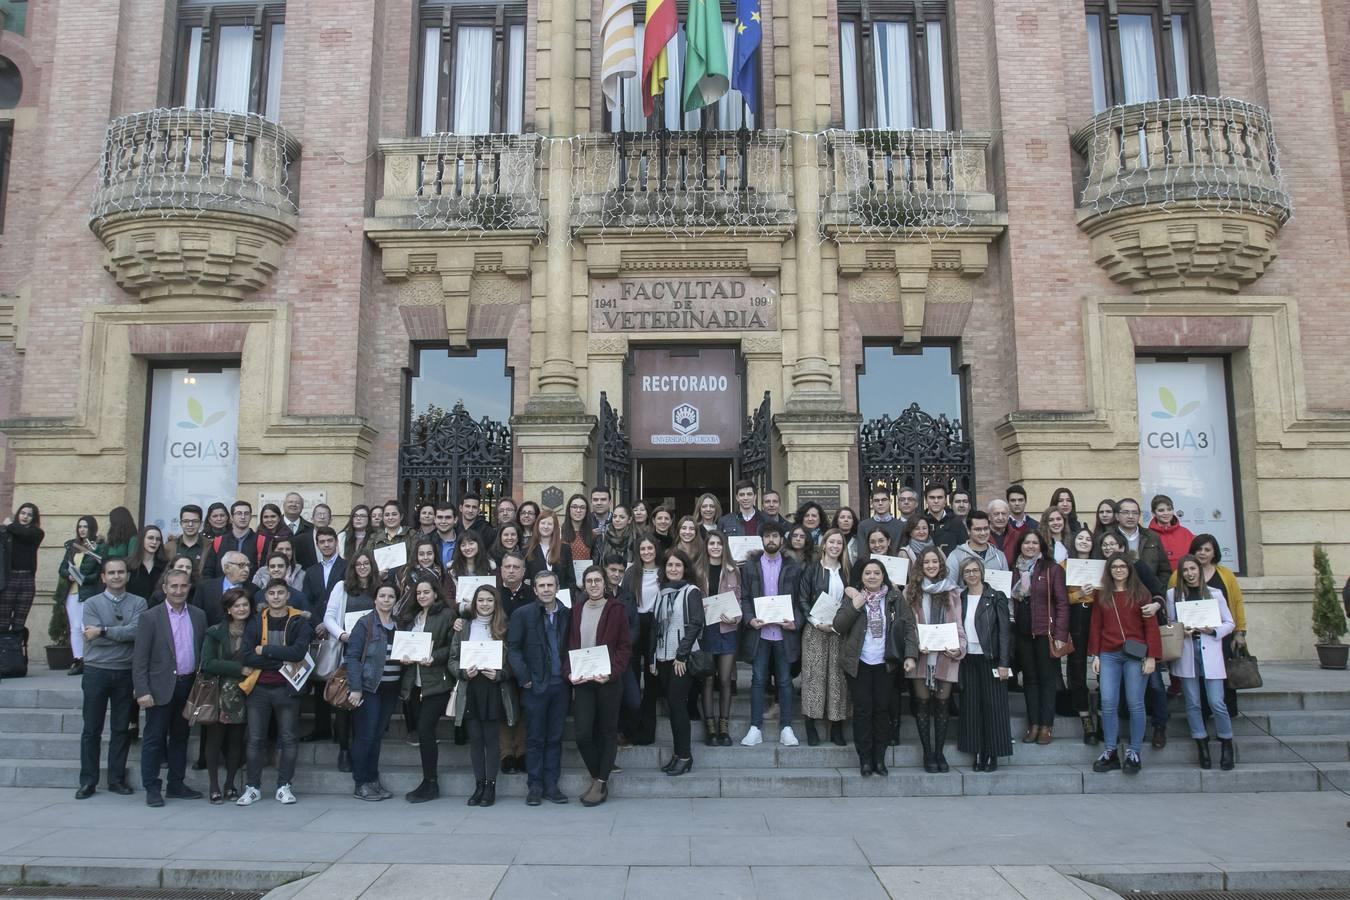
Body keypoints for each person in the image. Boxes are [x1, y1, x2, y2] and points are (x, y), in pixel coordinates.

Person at [833, 559, 915, 776]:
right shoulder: (854, 597)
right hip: (859, 664)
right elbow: (839, 625)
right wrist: (855, 606)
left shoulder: (895, 598)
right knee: (863, 711)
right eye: (867, 573)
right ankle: (865, 759)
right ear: (862, 577)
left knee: (881, 711)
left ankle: (879, 758)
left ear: (883, 575)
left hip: (885, 663)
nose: (871, 577)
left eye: (876, 573)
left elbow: (909, 627)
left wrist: (910, 655)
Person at [133, 568, 206, 806]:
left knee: (180, 737)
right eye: (173, 586)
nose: (178, 591)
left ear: (189, 587)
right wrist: (142, 691)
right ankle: (152, 787)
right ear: (164, 588)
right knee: (154, 739)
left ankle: (176, 784)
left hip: (188, 685)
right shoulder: (150, 617)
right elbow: (140, 658)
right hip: (159, 688)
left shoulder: (198, 615)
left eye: (183, 586)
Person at [237, 578, 313, 806]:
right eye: (272, 593)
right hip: (259, 688)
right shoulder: (255, 621)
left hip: (287, 689)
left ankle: (284, 786)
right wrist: (280, 658)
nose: (276, 597)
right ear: (265, 596)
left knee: (289, 739)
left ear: (288, 595)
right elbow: (248, 655)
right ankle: (252, 787)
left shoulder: (299, 621)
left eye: (281, 592)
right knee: (255, 739)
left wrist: (266, 651)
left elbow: (299, 653)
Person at [76, 557, 146, 799]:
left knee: (121, 729)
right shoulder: (92, 603)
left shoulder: (139, 602)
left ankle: (116, 780)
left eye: (121, 572)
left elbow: (137, 632)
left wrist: (104, 631)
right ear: (103, 577)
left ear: (127, 576)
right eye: (111, 573)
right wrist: (119, 634)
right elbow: (91, 635)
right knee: (91, 729)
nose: (117, 576)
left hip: (125, 672)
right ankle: (88, 781)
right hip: (96, 671)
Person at [1089, 553, 1163, 775]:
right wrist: (1096, 655)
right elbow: (1096, 626)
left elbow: (1151, 627)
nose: (1119, 570)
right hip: (1109, 653)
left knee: (1135, 703)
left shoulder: (1141, 593)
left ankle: (1134, 751)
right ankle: (1110, 750)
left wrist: (1152, 657)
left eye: (1123, 566)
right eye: (1114, 567)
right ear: (1109, 570)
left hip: (1135, 654)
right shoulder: (1102, 594)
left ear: (1130, 569)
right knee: (1108, 701)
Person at [566, 565, 632, 805]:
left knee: (607, 733)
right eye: (589, 581)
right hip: (583, 681)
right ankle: (597, 777)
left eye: (597, 581)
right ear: (583, 585)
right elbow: (569, 647)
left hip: (607, 682)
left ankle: (601, 784)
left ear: (605, 583)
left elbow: (625, 647)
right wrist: (569, 673)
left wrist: (612, 673)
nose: (593, 585)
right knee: (583, 734)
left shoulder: (616, 609)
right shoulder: (576, 611)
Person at [506, 570, 571, 806]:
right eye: (541, 585)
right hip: (535, 687)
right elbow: (513, 649)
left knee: (555, 737)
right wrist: (525, 678)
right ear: (534, 590)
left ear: (557, 588)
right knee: (534, 738)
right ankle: (534, 785)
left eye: (549, 585)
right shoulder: (522, 614)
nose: (545, 589)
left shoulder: (567, 614)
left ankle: (552, 785)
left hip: (561, 686)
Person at [1167, 554, 1236, 771]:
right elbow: (1170, 623)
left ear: (1199, 570)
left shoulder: (1215, 594)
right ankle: (1201, 743)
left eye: (1193, 569)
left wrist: (1213, 630)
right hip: (1188, 650)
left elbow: (1229, 623)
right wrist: (1181, 630)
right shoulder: (1173, 594)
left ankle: (1226, 742)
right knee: (1193, 702)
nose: (1189, 573)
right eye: (1185, 570)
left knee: (1217, 702)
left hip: (1209, 648)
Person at [738, 521, 802, 747]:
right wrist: (749, 619)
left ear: (781, 540)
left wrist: (796, 621)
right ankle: (755, 727)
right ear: (762, 540)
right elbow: (744, 597)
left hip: (784, 634)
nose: (771, 540)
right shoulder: (750, 567)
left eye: (775, 536)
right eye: (767, 536)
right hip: (760, 633)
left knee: (785, 681)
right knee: (758, 680)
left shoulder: (793, 566)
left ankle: (786, 727)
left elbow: (801, 600)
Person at [449, 585, 515, 806]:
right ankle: (479, 784)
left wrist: (500, 674)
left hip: (493, 688)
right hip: (470, 687)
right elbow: (452, 658)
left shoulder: (504, 628)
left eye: (489, 600)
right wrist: (461, 672)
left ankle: (491, 785)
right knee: (475, 738)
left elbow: (512, 663)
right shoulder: (464, 627)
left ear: (495, 603)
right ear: (474, 603)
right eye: (480, 600)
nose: (485, 604)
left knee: (491, 738)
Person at [1174, 533, 1247, 717]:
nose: (1203, 553)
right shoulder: (1178, 574)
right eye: (1199, 549)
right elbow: (1172, 604)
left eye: (1207, 549)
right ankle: (1204, 712)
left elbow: (1236, 602)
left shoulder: (1226, 574)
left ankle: (1227, 711)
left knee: (1223, 672)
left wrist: (1240, 631)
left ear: (1214, 552)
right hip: (1192, 636)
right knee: (1197, 675)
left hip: (1219, 634)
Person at [321, 551, 382, 771]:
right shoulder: (342, 587)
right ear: (353, 567)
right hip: (347, 650)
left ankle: (359, 746)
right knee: (344, 700)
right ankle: (344, 749)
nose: (363, 567)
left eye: (366, 563)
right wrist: (341, 635)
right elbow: (328, 616)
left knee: (364, 703)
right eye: (359, 564)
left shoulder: (379, 587)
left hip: (373, 653)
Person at [906, 547, 965, 773]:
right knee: (922, 704)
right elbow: (907, 625)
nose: (931, 565)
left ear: (941, 565)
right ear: (920, 566)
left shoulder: (952, 592)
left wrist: (959, 648)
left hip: (946, 655)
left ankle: (940, 752)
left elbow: (959, 624)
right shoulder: (911, 592)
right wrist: (913, 646)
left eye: (935, 562)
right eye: (927, 562)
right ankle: (927, 753)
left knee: (942, 704)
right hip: (920, 654)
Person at [396, 577, 456, 802]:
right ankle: (427, 780)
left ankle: (431, 782)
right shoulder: (412, 618)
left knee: (424, 729)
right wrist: (404, 657)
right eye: (418, 592)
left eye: (426, 592)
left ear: (435, 593)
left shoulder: (447, 615)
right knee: (423, 732)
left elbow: (452, 646)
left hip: (438, 682)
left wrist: (435, 657)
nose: (422, 596)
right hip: (416, 682)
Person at [953, 557, 1013, 772]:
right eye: (967, 571)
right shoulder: (960, 597)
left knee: (993, 706)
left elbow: (1005, 633)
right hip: (967, 658)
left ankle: (992, 753)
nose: (971, 574)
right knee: (971, 706)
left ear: (981, 572)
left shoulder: (996, 597)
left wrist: (1005, 662)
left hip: (991, 658)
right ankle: (977, 750)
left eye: (975, 570)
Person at [1010, 530, 1070, 744]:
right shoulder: (1014, 569)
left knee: (1046, 679)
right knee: (1029, 679)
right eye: (1027, 542)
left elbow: (1062, 603)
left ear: (1041, 547)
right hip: (1023, 633)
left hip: (1046, 632)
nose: (1030, 546)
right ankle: (1033, 724)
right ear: (1021, 546)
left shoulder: (1051, 569)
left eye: (1035, 543)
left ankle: (1046, 726)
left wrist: (1061, 633)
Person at [343, 583, 401, 801]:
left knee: (376, 736)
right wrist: (356, 689)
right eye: (382, 596)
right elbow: (353, 657)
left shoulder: (398, 625)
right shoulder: (365, 623)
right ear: (375, 599)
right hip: (369, 688)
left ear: (396, 600)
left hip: (390, 688)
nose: (386, 600)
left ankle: (373, 779)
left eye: (391, 596)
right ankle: (361, 782)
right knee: (365, 736)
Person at [795, 529, 851, 747]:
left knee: (838, 678)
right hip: (815, 628)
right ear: (824, 544)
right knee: (814, 676)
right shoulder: (812, 569)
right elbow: (802, 598)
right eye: (832, 542)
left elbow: (851, 599)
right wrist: (814, 621)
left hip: (839, 630)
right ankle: (811, 724)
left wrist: (841, 622)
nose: (835, 546)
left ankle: (837, 727)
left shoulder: (846, 570)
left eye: (839, 543)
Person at [651, 550, 704, 776]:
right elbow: (656, 629)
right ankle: (677, 754)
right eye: (670, 565)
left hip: (681, 659)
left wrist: (681, 655)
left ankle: (685, 756)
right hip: (663, 658)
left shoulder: (691, 591)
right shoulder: (661, 593)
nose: (673, 569)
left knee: (678, 707)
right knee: (673, 708)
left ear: (685, 568)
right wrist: (653, 657)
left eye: (678, 565)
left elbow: (695, 623)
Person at [200, 588, 253, 803]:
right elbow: (208, 663)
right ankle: (213, 786)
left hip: (245, 693)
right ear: (228, 609)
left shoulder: (255, 629)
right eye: (236, 605)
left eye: (244, 605)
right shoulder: (215, 632)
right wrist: (238, 669)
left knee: (236, 742)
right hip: (219, 693)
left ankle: (230, 784)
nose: (241, 609)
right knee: (214, 740)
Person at [620, 535, 662, 744]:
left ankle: (648, 731)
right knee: (633, 675)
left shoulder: (663, 571)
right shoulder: (631, 573)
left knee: (653, 678)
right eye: (643, 549)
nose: (646, 552)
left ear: (656, 549)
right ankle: (631, 728)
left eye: (650, 548)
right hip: (635, 624)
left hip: (657, 625)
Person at [700, 531, 741, 747]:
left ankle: (724, 725)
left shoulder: (733, 571)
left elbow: (739, 600)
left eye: (719, 543)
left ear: (724, 547)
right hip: (706, 631)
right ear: (706, 546)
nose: (715, 547)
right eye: (711, 543)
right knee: (707, 679)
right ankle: (710, 727)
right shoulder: (699, 570)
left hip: (727, 630)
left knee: (725, 680)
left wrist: (736, 617)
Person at [1064, 526, 1099, 745]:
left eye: (1088, 538)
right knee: (1076, 667)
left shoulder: (1101, 566)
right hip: (1074, 616)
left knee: (1103, 665)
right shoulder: (1064, 566)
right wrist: (1079, 594)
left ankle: (1104, 718)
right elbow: (1059, 598)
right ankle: (1085, 718)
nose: (1084, 541)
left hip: (1098, 617)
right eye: (1080, 538)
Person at [55, 515, 103, 675]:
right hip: (72, 592)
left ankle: (91, 659)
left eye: (85, 526)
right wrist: (68, 575)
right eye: (80, 526)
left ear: (92, 528)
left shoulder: (97, 547)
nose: (82, 529)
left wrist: (82, 578)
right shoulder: (72, 546)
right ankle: (78, 659)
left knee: (86, 627)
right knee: (75, 627)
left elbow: (98, 574)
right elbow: (62, 568)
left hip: (88, 592)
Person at [1113, 498, 1171, 586]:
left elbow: (1164, 570)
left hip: (1149, 591)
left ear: (1139, 516)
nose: (1131, 516)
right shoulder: (1109, 537)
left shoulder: (1152, 536)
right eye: (1125, 512)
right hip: (1119, 591)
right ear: (1117, 516)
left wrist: (1159, 590)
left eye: (1135, 513)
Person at [201, 501, 266, 579]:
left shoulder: (261, 541)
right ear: (231, 517)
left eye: (246, 513)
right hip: (223, 589)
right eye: (239, 513)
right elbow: (208, 570)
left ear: (251, 517)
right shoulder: (219, 541)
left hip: (250, 589)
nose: (243, 517)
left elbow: (264, 571)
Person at [193, 551, 256, 628]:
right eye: (241, 565)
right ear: (226, 568)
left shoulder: (254, 590)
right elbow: (196, 617)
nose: (247, 569)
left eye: (248, 565)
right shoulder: (205, 587)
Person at [946, 510, 1009, 576]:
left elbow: (1005, 585)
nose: (983, 533)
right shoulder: (956, 556)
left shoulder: (999, 556)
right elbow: (949, 584)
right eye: (978, 529)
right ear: (968, 531)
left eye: (986, 528)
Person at [524, 510, 573, 591]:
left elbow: (571, 579)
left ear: (555, 527)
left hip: (561, 598)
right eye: (543, 523)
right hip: (535, 599)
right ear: (538, 525)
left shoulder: (564, 549)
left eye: (549, 524)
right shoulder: (527, 550)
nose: (546, 526)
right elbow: (526, 580)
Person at [1148, 494, 1196, 572]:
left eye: (1169, 509)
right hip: (1159, 583)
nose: (1166, 513)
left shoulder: (1185, 533)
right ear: (1153, 513)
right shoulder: (1148, 535)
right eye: (1161, 510)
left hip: (1185, 580)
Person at [923, 483, 967, 555]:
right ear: (926, 500)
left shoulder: (956, 523)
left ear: (945, 500)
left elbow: (964, 551)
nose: (936, 501)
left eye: (940, 497)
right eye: (932, 497)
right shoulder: (920, 522)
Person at [166, 504, 206, 572]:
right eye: (186, 521)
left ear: (201, 524)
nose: (190, 524)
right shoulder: (168, 547)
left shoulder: (210, 546)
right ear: (181, 523)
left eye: (195, 521)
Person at [673, 516, 709, 590]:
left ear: (696, 531)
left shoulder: (703, 551)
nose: (687, 532)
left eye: (691, 529)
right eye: (684, 528)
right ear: (678, 530)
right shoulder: (673, 553)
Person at [562, 494, 595, 565]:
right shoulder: (559, 532)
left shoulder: (592, 535)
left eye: (582, 507)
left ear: (586, 511)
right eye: (574, 507)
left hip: (585, 574)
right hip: (564, 574)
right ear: (569, 509)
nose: (578, 510)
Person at [430, 503, 458, 568]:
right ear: (434, 519)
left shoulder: (464, 541)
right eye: (440, 517)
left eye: (448, 517)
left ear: (455, 519)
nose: (443, 521)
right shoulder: (427, 540)